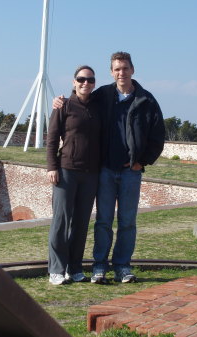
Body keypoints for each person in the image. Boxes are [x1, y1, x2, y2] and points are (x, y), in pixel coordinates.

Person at [53, 52, 165, 284]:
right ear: (112, 72)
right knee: (103, 221)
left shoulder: (147, 100)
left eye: (124, 68)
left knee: (127, 222)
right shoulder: (103, 95)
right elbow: (79, 101)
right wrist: (59, 101)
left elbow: (157, 136)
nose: (121, 73)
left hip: (130, 172)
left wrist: (141, 161)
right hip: (104, 169)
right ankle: (99, 266)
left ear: (132, 70)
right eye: (116, 69)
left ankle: (122, 266)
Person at [46, 65, 101, 285]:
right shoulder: (64, 105)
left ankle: (75, 267)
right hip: (66, 170)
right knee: (61, 221)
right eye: (81, 79)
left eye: (90, 80)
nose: (85, 83)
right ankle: (56, 269)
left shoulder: (98, 106)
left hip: (90, 173)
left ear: (94, 83)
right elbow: (51, 138)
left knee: (81, 222)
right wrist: (52, 167)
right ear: (73, 82)